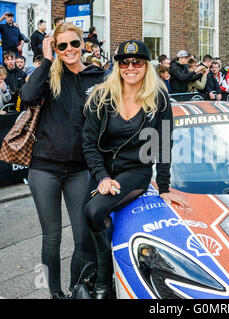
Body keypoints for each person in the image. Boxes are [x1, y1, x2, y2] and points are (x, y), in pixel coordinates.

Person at [82, 39, 188, 299]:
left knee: (95, 211)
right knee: (85, 235)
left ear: (146, 65)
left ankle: (105, 285)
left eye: (137, 62)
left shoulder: (158, 96)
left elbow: (163, 143)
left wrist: (164, 187)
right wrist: (102, 177)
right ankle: (86, 281)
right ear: (118, 65)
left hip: (135, 172)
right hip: (103, 172)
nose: (130, 67)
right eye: (124, 62)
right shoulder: (102, 95)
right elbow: (89, 143)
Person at [19, 22, 105, 299]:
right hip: (45, 168)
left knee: (83, 238)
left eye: (74, 44)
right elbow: (27, 96)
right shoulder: (48, 75)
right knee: (52, 238)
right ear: (55, 48)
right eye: (61, 45)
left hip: (81, 169)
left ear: (83, 45)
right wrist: (46, 60)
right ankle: (55, 293)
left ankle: (75, 289)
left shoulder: (98, 77)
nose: (69, 50)